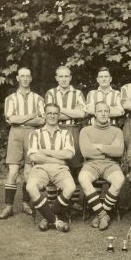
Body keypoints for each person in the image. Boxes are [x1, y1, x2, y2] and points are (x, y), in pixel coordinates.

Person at [0, 67, 45, 219]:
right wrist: (31, 115)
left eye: (28, 76)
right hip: (16, 133)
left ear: (31, 78)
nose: (25, 79)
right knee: (13, 171)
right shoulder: (10, 99)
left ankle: (26, 203)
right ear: (18, 78)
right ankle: (8, 206)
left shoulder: (38, 98)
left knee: (28, 172)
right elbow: (11, 119)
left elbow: (42, 120)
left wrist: (23, 118)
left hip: (32, 134)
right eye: (22, 76)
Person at [26, 103, 76, 232]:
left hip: (60, 169)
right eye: (49, 113)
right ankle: (55, 221)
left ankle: (47, 218)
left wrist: (45, 151)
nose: (52, 116)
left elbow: (69, 154)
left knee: (71, 187)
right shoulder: (35, 134)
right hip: (40, 168)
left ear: (59, 115)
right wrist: (58, 159)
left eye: (55, 113)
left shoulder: (66, 134)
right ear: (44, 115)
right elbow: (34, 157)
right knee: (30, 187)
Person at [78, 101, 125, 231]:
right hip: (91, 164)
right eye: (100, 111)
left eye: (106, 111)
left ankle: (99, 214)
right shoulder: (85, 130)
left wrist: (98, 147)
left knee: (119, 179)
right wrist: (108, 151)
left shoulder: (117, 131)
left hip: (111, 165)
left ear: (109, 113)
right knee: (83, 178)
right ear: (95, 113)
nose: (103, 114)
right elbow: (86, 152)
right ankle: (103, 215)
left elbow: (118, 152)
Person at [45, 66, 86, 211]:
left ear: (70, 77)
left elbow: (81, 114)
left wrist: (60, 110)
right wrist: (71, 112)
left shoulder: (78, 93)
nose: (63, 79)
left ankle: (73, 200)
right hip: (55, 130)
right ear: (56, 78)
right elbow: (50, 114)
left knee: (74, 165)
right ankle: (54, 200)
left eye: (66, 76)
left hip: (73, 129)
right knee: (55, 163)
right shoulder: (50, 93)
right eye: (60, 76)